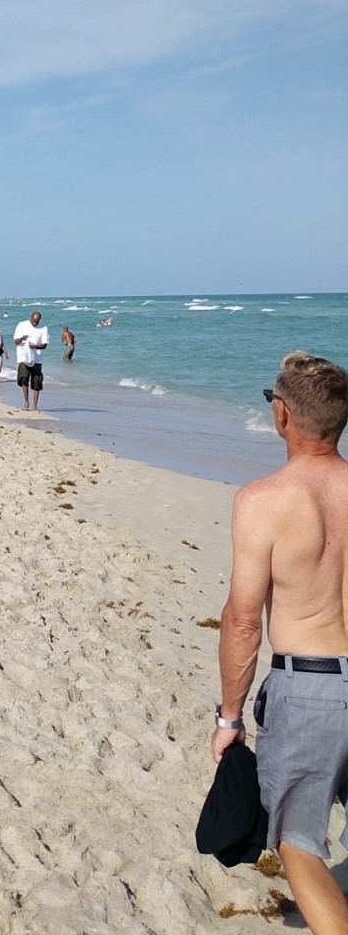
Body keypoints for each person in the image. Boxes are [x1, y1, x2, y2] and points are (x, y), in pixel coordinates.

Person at [212, 352, 348, 933]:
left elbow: (243, 622)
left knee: (298, 843)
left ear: (283, 415)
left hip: (310, 688)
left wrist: (230, 716)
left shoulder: (263, 500)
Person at [12, 309, 49, 410]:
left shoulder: (43, 328)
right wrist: (22, 338)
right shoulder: (22, 325)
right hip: (23, 357)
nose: (34, 323)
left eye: (36, 322)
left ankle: (35, 406)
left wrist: (34, 346)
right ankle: (26, 402)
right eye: (33, 321)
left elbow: (44, 345)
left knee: (37, 381)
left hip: (37, 359)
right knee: (24, 378)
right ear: (31, 318)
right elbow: (16, 342)